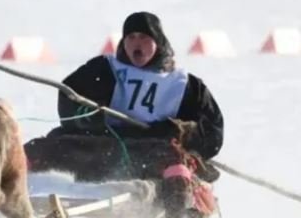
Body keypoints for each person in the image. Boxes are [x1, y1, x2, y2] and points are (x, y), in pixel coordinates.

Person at [55, 11, 224, 162]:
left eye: (144, 37)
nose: (137, 43)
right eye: (131, 37)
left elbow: (212, 134)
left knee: (174, 166)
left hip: (156, 153)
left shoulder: (185, 85)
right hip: (103, 145)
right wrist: (86, 118)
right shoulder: (104, 68)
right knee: (45, 146)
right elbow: (69, 96)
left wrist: (180, 132)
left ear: (158, 42)